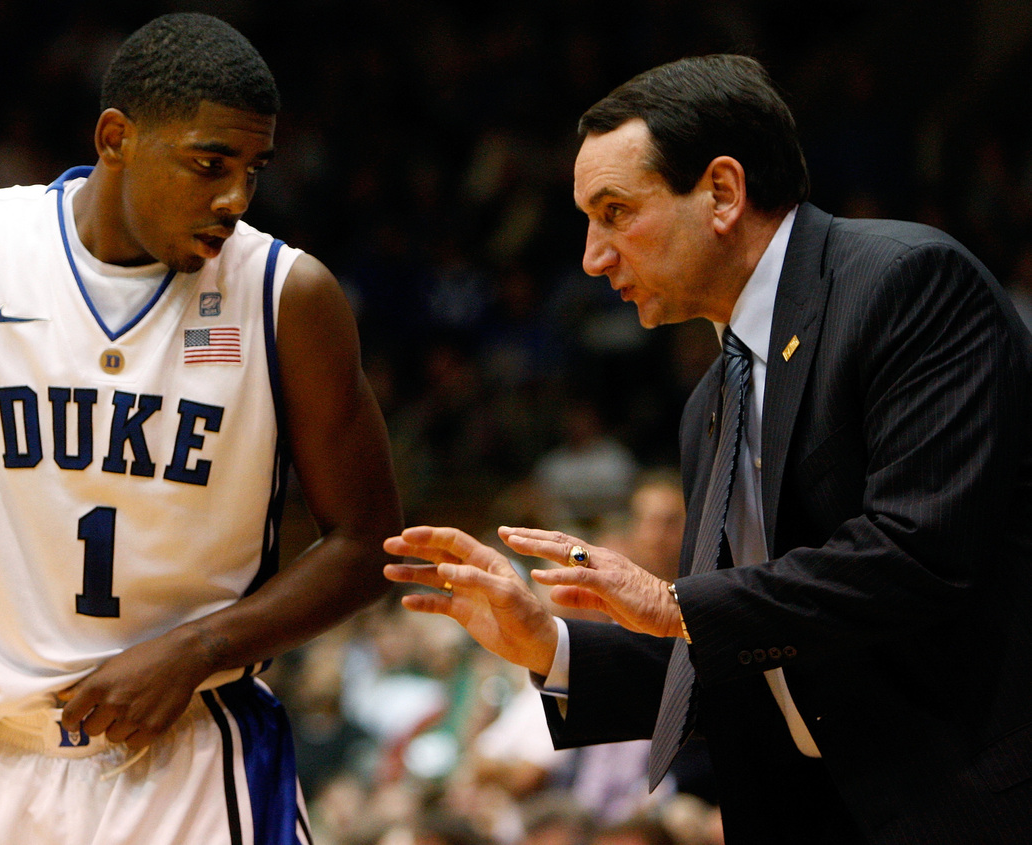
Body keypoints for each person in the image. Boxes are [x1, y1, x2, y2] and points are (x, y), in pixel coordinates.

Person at [384, 54, 1032, 844]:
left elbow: (916, 553)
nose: (593, 254)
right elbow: (745, 645)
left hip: (967, 796)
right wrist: (551, 645)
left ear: (722, 192)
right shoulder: (711, 402)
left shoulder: (905, 283)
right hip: (819, 807)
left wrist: (673, 603)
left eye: (615, 211)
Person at [0, 13, 402, 845]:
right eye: (211, 163)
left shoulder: (289, 297)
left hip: (193, 756)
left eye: (253, 170)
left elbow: (367, 538)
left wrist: (200, 646)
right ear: (116, 137)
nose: (234, 199)